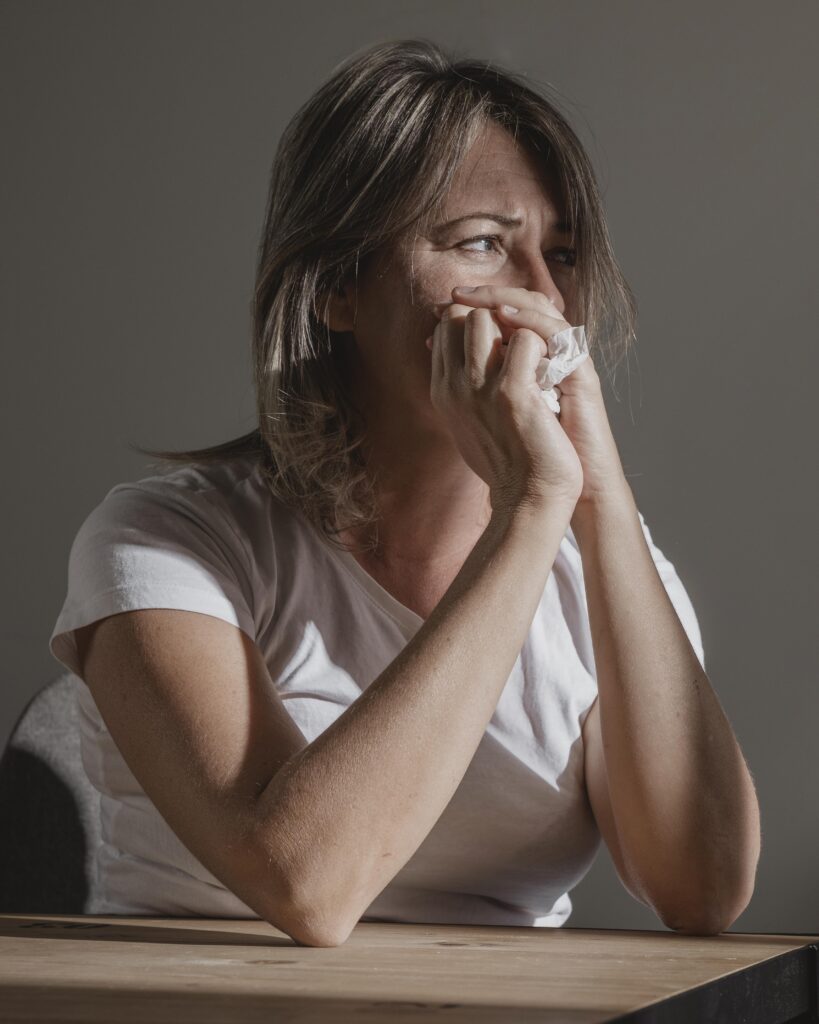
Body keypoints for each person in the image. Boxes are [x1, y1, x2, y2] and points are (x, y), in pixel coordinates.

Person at [49, 38, 760, 947]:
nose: (543, 298)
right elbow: (306, 884)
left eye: (564, 253)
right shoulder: (168, 541)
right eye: (481, 245)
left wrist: (601, 503)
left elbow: (699, 891)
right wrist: (527, 512)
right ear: (338, 287)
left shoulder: (601, 563)